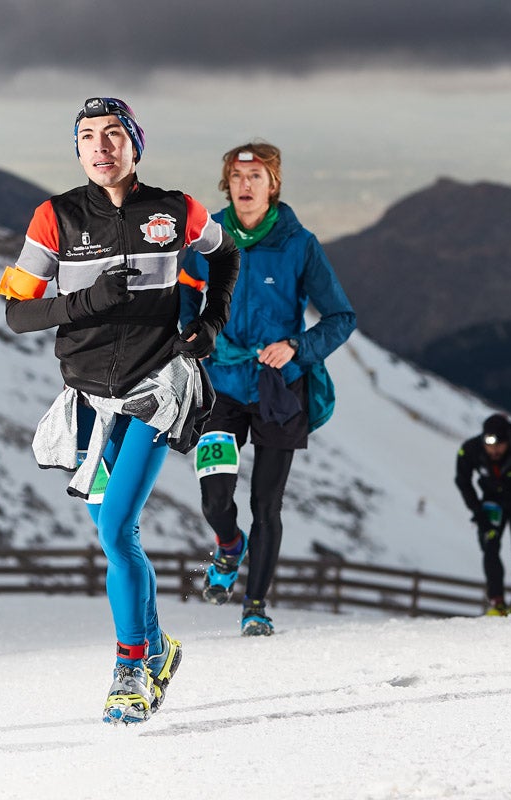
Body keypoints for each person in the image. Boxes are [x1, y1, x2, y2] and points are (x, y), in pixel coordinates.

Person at [0, 97, 239, 723]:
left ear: (135, 144)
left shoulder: (177, 210)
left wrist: (211, 322)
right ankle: (158, 651)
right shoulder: (54, 218)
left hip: (156, 391)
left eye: (113, 135)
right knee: (119, 538)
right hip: (87, 405)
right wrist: (84, 303)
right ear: (77, 150)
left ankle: (131, 666)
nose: (100, 146)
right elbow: (17, 312)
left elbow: (225, 254)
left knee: (114, 529)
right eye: (87, 137)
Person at [180, 141, 356, 637]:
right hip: (224, 386)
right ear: (227, 184)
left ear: (273, 184)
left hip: (282, 390)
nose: (246, 185)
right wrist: (194, 337)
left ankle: (255, 605)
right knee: (215, 497)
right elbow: (185, 303)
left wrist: (297, 348)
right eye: (237, 177)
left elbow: (342, 317)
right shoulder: (207, 241)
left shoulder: (299, 244)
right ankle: (228, 545)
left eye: (256, 176)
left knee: (267, 504)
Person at [455, 414, 511, 616]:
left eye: (499, 444)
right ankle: (497, 602)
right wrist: (477, 512)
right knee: (490, 545)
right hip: (492, 501)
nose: (494, 450)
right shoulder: (471, 450)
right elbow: (462, 481)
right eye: (489, 444)